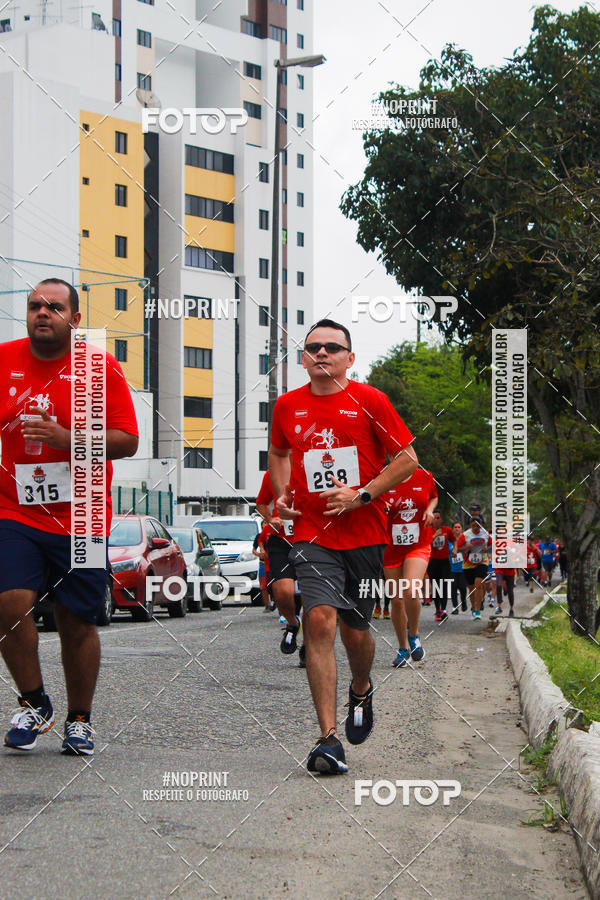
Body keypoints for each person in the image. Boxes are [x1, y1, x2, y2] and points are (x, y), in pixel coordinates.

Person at [269, 319, 416, 775]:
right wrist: (281, 495)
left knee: (356, 633)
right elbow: (278, 454)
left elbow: (408, 460)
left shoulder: (370, 401)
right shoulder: (287, 406)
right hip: (313, 535)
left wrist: (362, 495)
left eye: (332, 347)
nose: (321, 353)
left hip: (366, 536)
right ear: (302, 358)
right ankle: (328, 739)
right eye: (312, 348)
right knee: (318, 620)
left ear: (350, 358)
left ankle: (361, 685)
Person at [0, 279, 138, 755]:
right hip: (14, 508)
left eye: (54, 307)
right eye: (35, 305)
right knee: (9, 603)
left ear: (74, 320)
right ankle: (35, 702)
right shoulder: (4, 360)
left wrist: (67, 438)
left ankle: (79, 719)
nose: (43, 313)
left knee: (75, 620)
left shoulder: (99, 367)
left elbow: (127, 440)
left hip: (82, 515)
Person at [383, 468, 437, 667]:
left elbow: (433, 497)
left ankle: (414, 634)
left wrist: (430, 510)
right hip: (391, 548)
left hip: (418, 543)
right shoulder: (382, 477)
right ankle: (403, 648)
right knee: (396, 601)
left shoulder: (424, 475)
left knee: (411, 590)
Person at [255, 470, 302, 654]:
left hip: (311, 540)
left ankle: (309, 646)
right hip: (281, 540)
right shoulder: (272, 474)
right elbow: (261, 503)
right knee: (282, 592)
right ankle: (292, 623)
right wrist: (270, 519)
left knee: (312, 598)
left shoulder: (314, 465)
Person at [456, 518, 492, 619]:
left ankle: (477, 610)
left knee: (478, 584)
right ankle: (473, 607)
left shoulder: (485, 534)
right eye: (473, 526)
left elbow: (491, 543)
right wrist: (466, 548)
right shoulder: (465, 535)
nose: (476, 528)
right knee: (471, 588)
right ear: (470, 526)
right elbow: (457, 548)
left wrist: (487, 549)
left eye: (478, 525)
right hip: (468, 564)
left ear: (481, 525)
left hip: (482, 562)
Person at [427, 511, 454, 621]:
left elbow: (454, 541)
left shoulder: (447, 530)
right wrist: (434, 536)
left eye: (438, 517)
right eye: (434, 518)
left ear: (441, 519)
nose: (436, 520)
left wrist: (455, 549)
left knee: (444, 585)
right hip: (432, 562)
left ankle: (443, 610)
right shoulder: (428, 530)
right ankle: (437, 609)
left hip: (444, 561)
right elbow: (424, 544)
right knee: (435, 586)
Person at [252, 525, 274, 611]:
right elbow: (253, 550)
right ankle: (267, 605)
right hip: (263, 562)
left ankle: (275, 601)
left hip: (274, 562)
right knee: (263, 585)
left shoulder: (274, 534)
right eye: (264, 522)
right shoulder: (259, 536)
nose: (265, 524)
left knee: (274, 584)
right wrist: (259, 554)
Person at [449, 521, 467, 613]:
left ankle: (463, 602)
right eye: (455, 527)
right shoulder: (449, 540)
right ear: (452, 529)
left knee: (463, 588)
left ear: (461, 529)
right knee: (453, 588)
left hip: (463, 568)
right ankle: (455, 607)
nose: (457, 529)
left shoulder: (464, 540)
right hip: (451, 568)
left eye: (458, 527)